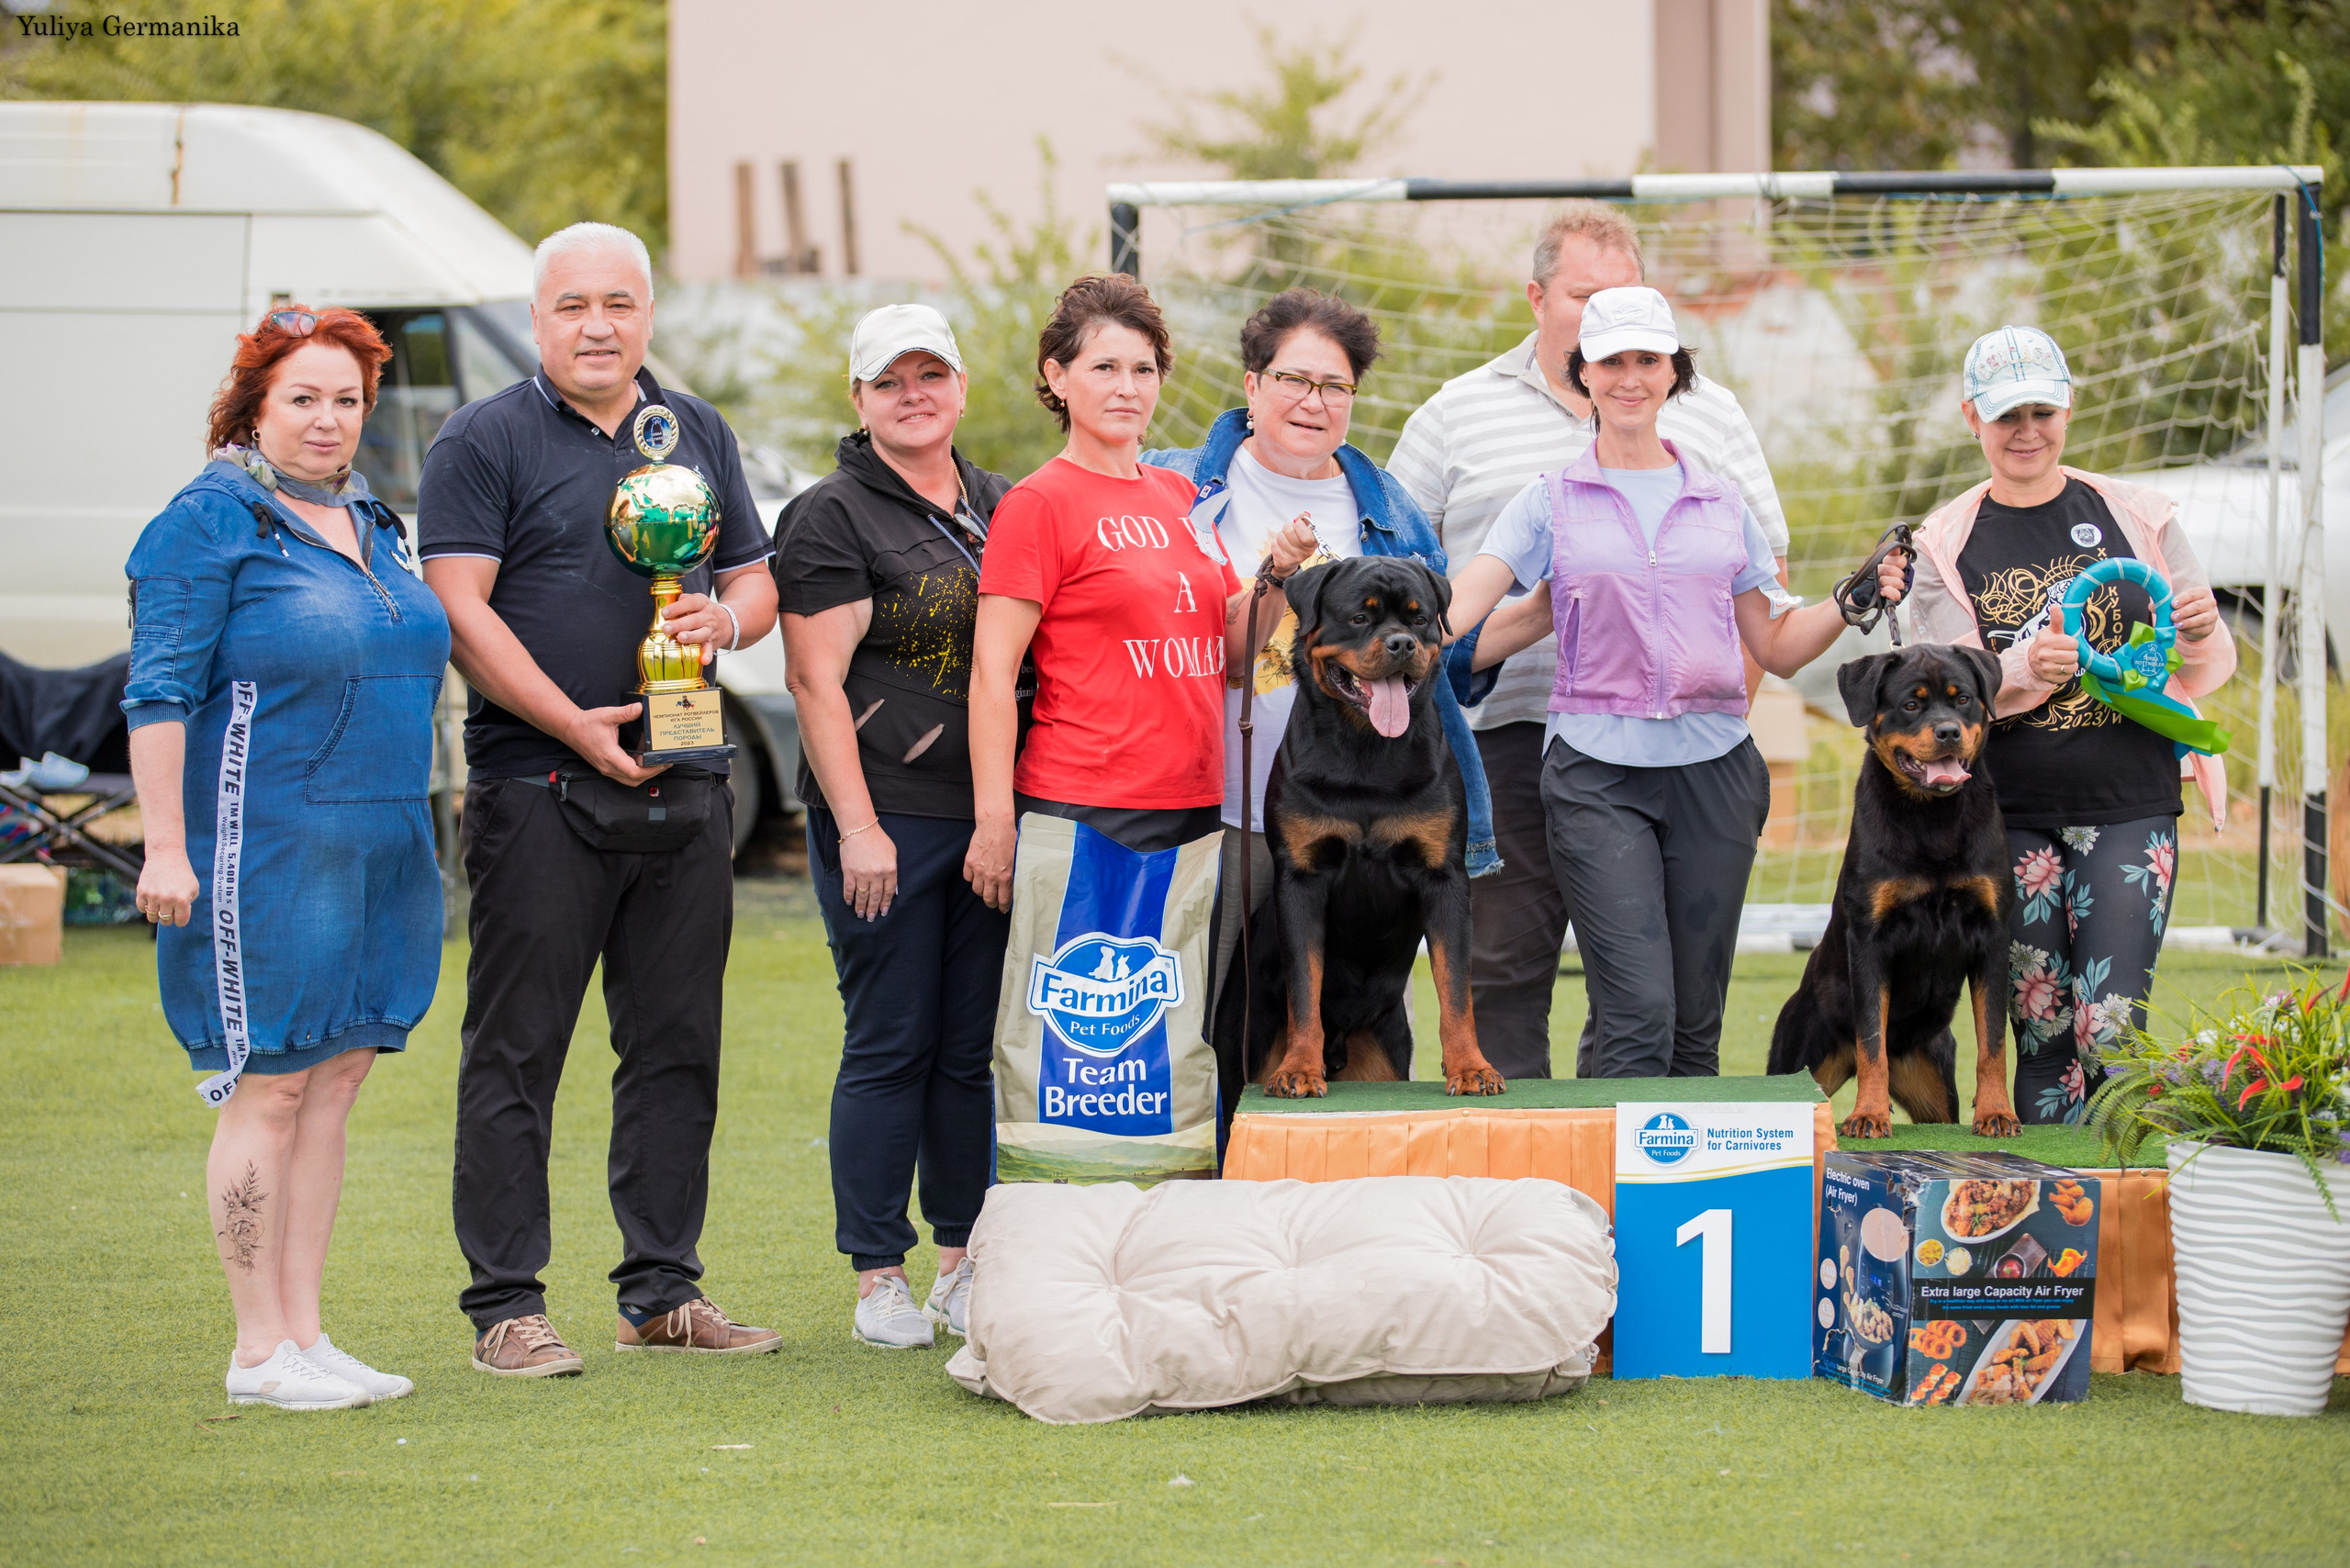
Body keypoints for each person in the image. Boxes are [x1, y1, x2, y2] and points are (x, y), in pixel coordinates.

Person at [419, 221, 781, 1376]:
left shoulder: (696, 432)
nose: (596, 325)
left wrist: (725, 621)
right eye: (572, 305)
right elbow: (461, 614)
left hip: (687, 779)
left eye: (617, 303)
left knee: (678, 1045)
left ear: (648, 317)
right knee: (518, 1051)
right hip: (540, 783)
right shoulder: (481, 438)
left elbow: (756, 580)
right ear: (536, 320)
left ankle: (662, 1291)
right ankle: (506, 1306)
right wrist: (567, 721)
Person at [1449, 286, 1903, 1081]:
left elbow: (1778, 645)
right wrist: (1354, 607)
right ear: (1582, 374)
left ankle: (1683, 1204)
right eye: (1610, 361)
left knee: (1696, 1022)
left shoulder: (1723, 504)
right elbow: (1458, 612)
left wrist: (1850, 598)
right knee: (1637, 1014)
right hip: (1595, 775)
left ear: (1674, 374)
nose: (1630, 377)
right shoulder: (1546, 502)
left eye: (1647, 361)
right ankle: (1601, 1204)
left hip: (1715, 774)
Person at [125, 305, 448, 1409]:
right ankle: (256, 1349)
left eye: (348, 399)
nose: (328, 418)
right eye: (303, 397)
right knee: (267, 1088)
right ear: (254, 407)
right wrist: (164, 845)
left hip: (385, 842)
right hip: (264, 850)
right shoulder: (208, 521)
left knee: (335, 1079)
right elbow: (157, 692)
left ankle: (306, 1334)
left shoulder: (372, 516)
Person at [1387, 202, 1788, 1080]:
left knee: (1648, 995)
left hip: (1681, 755)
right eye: (1585, 294)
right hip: (1500, 749)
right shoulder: (1457, 413)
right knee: (1501, 973)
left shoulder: (1710, 416)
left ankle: (1625, 1178)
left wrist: (1709, 719)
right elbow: (1404, 571)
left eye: (1628, 298)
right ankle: (1521, 1191)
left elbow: (1761, 576)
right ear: (1538, 298)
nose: (1608, 313)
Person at [1890, 325, 2235, 1124]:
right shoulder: (1944, 540)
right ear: (1971, 417)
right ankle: (2054, 1228)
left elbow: (2207, 665)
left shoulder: (2138, 514)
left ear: (2069, 409)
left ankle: (2122, 1221)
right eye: (2007, 413)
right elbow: (1940, 688)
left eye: (2042, 410)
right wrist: (2021, 673)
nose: (2026, 431)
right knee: (2041, 1035)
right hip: (2003, 816)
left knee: (2110, 1031)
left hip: (2129, 803)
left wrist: (2203, 629)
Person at [1139, 286, 1496, 1026]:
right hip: (1208, 810)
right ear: (1252, 384)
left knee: (1354, 1025)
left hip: (1366, 798)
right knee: (1195, 1030)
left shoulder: (1389, 508)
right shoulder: (1168, 485)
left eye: (1335, 386)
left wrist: (1540, 608)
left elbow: (1441, 654)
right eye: (1294, 380)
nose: (1314, 401)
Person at [776, 305, 1015, 1350]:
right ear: (858, 397)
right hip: (884, 821)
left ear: (961, 387)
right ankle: (879, 1273)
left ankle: (961, 1260)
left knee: (967, 1051)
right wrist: (857, 826)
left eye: (931, 374)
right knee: (890, 1042)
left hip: (988, 819)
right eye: (889, 380)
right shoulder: (830, 514)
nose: (913, 394)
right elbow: (813, 680)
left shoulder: (1005, 503)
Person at [965, 274, 1313, 902]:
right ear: (1059, 376)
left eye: (1144, 370)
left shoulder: (1183, 496)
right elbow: (992, 673)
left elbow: (1232, 653)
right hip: (1087, 806)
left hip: (1197, 804)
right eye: (1104, 367)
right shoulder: (1037, 503)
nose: (1128, 388)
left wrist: (1277, 576)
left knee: (1180, 1003)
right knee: (1084, 1000)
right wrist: (993, 823)